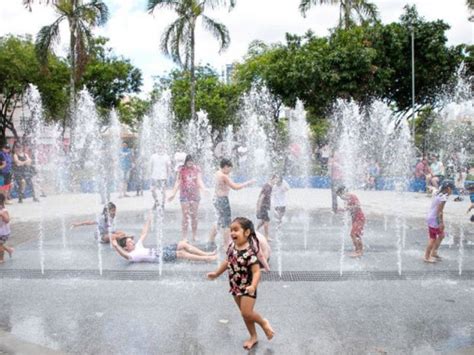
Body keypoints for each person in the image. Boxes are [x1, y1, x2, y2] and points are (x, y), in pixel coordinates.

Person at [207, 217, 274, 350]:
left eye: (236, 230)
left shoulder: (250, 252)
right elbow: (227, 261)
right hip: (235, 285)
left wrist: (253, 286)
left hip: (248, 287)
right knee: (245, 313)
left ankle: (263, 322)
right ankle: (253, 336)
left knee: (247, 313)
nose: (232, 233)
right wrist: (216, 273)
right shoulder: (232, 246)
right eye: (231, 230)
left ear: (247, 232)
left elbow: (256, 272)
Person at [112, 212, 217, 263]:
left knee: (183, 244)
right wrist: (117, 247)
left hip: (161, 250)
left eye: (131, 241)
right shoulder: (132, 255)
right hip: (160, 257)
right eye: (130, 243)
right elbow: (125, 256)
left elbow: (144, 233)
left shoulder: (138, 245)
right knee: (181, 253)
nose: (132, 242)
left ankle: (206, 254)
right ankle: (206, 259)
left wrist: (149, 219)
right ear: (126, 248)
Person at [208, 159, 255, 248]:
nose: (230, 171)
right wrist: (248, 183)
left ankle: (211, 240)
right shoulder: (223, 176)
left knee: (218, 221)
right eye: (229, 169)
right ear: (225, 167)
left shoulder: (217, 173)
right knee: (226, 224)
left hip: (217, 199)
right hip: (223, 200)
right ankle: (226, 244)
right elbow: (235, 187)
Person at [168, 155, 206, 241]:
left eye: (192, 161)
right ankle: (184, 236)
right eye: (188, 161)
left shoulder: (197, 169)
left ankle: (194, 235)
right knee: (185, 216)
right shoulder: (181, 169)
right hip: (184, 195)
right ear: (185, 161)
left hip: (195, 195)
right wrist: (173, 194)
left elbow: (199, 180)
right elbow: (178, 182)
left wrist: (204, 189)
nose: (190, 163)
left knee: (194, 216)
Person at [424, 180, 454, 263]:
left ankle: (433, 252)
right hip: (434, 219)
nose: (452, 191)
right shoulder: (443, 197)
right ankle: (427, 256)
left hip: (430, 217)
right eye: (452, 189)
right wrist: (441, 223)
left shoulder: (438, 193)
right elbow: (439, 211)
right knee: (433, 238)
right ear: (448, 189)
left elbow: (432, 189)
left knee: (441, 235)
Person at [336, 186, 365, 257]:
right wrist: (341, 210)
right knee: (357, 235)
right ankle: (359, 251)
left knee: (353, 234)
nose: (340, 198)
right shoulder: (347, 199)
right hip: (356, 218)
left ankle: (358, 251)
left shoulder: (352, 196)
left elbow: (358, 206)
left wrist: (347, 207)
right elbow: (349, 209)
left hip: (359, 217)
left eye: (340, 196)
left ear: (343, 193)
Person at [256, 175, 278, 241]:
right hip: (263, 206)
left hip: (265, 206)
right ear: (272, 179)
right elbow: (261, 197)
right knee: (266, 221)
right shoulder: (267, 187)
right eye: (275, 180)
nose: (276, 182)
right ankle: (266, 236)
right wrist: (258, 208)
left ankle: (254, 231)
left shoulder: (269, 187)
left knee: (263, 221)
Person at [0, 194, 13, 264]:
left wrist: (2, 214)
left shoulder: (3, 210)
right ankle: (9, 249)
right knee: (0, 245)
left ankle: (1, 259)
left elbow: (7, 220)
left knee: (0, 246)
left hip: (3, 233)